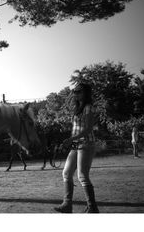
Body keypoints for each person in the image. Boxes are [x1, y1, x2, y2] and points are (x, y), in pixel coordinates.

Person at [54, 83, 99, 213]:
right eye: (74, 91)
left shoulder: (88, 108)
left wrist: (70, 139)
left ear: (85, 93)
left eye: (79, 91)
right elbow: (76, 128)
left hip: (86, 143)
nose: (75, 93)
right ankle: (67, 205)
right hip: (76, 144)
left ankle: (92, 207)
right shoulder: (77, 108)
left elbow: (88, 129)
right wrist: (70, 140)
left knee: (82, 175)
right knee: (66, 173)